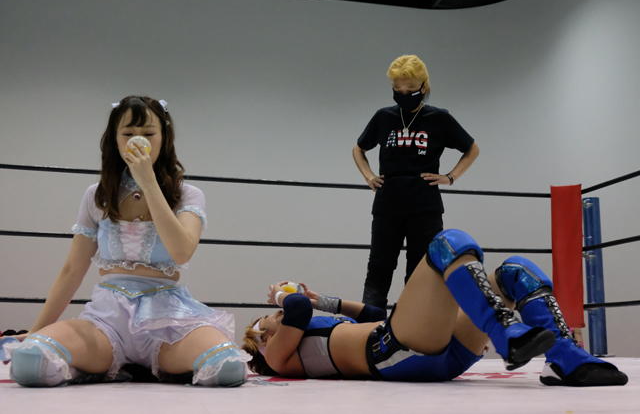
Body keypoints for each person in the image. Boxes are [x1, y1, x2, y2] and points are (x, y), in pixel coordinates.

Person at [1, 96, 249, 387]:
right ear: (115, 139)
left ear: (164, 138)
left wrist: (148, 182)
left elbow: (182, 252)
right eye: (128, 133)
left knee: (227, 367)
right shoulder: (97, 194)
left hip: (168, 320)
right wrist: (36, 330)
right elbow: (72, 270)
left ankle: (141, 367)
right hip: (107, 320)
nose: (137, 141)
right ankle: (95, 367)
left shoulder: (188, 194)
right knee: (29, 361)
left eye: (148, 133)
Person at [242, 229, 628, 386]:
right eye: (269, 320)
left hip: (429, 350)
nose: (277, 317)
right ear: (260, 340)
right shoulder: (277, 356)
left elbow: (374, 315)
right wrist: (278, 295)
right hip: (394, 354)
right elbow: (296, 311)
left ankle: (566, 360)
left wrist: (324, 300)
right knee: (448, 243)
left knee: (514, 271)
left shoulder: (311, 333)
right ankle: (505, 332)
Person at [353, 55, 480, 310]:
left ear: (424, 86)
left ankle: (411, 326)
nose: (403, 94)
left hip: (425, 206)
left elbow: (472, 149)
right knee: (379, 267)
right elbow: (359, 149)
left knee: (420, 270)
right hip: (388, 204)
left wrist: (450, 177)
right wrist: (368, 176)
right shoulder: (383, 117)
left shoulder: (439, 118)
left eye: (410, 89)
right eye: (397, 89)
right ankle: (370, 327)